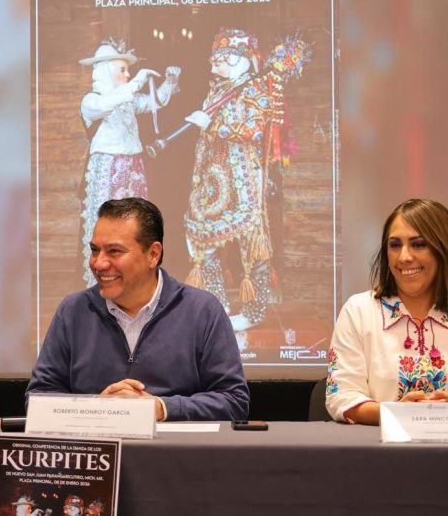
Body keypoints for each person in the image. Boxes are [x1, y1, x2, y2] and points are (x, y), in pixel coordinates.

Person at [26, 197, 249, 421]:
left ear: (153, 254)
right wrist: (95, 408)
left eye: (114, 251)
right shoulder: (72, 312)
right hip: (97, 443)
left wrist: (161, 408)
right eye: (94, 250)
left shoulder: (202, 310)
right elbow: (38, 398)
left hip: (175, 444)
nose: (99, 263)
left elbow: (234, 401)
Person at [184, 28, 309, 332]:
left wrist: (212, 125)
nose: (217, 61)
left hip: (243, 175)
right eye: (215, 56)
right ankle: (217, 303)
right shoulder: (218, 89)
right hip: (213, 178)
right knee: (201, 237)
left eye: (225, 56)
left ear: (241, 58)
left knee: (252, 242)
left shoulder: (255, 88)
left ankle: (255, 310)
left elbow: (252, 129)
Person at [325, 198, 448, 425]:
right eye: (395, 245)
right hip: (377, 447)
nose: (404, 257)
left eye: (418, 244)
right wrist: (395, 413)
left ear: (443, 250)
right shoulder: (358, 311)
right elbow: (341, 396)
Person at [78, 37, 180, 286]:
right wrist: (136, 82)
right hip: (108, 165)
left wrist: (170, 82)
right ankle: (101, 280)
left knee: (133, 222)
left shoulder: (127, 99)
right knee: (106, 220)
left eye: (127, 70)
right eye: (121, 70)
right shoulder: (92, 101)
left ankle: (130, 277)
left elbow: (153, 101)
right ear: (105, 71)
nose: (127, 74)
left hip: (133, 164)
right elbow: (107, 103)